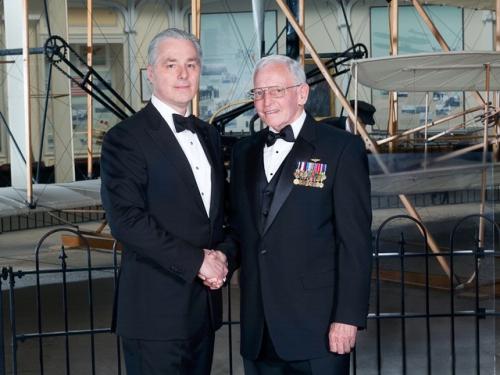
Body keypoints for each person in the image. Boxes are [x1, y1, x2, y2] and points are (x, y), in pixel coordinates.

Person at [225, 55, 372, 374]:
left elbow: (355, 243)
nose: (266, 101)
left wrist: (347, 317)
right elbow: (240, 228)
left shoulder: (341, 149)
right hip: (259, 330)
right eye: (259, 92)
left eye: (276, 90)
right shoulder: (243, 153)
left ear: (302, 94)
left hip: (319, 330)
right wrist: (219, 259)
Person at [100, 28, 230, 375]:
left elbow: (220, 217)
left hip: (203, 311)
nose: (183, 74)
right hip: (154, 317)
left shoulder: (209, 135)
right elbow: (126, 221)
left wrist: (223, 257)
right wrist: (198, 263)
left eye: (191, 64)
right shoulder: (125, 138)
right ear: (151, 73)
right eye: (171, 64)